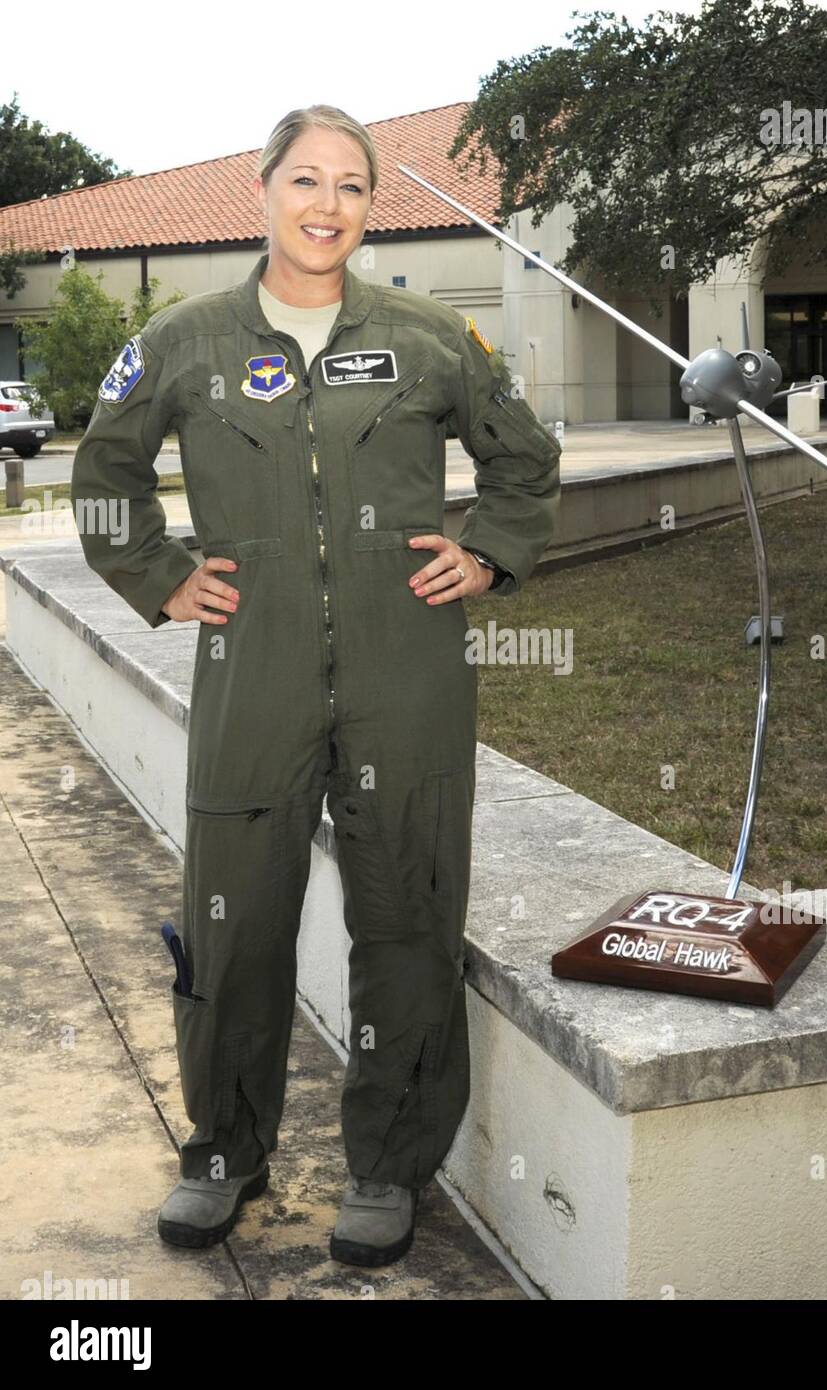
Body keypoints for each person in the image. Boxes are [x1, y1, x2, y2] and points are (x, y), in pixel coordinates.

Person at [69, 104, 562, 1268]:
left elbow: (524, 459)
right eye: (305, 179)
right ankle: (225, 1152)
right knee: (234, 922)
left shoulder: (434, 336)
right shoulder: (185, 340)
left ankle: (387, 1167)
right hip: (254, 677)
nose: (326, 203)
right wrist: (163, 576)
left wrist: (487, 550)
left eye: (350, 183)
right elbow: (104, 474)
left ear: (371, 201)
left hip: (411, 679)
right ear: (264, 190)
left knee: (406, 917)